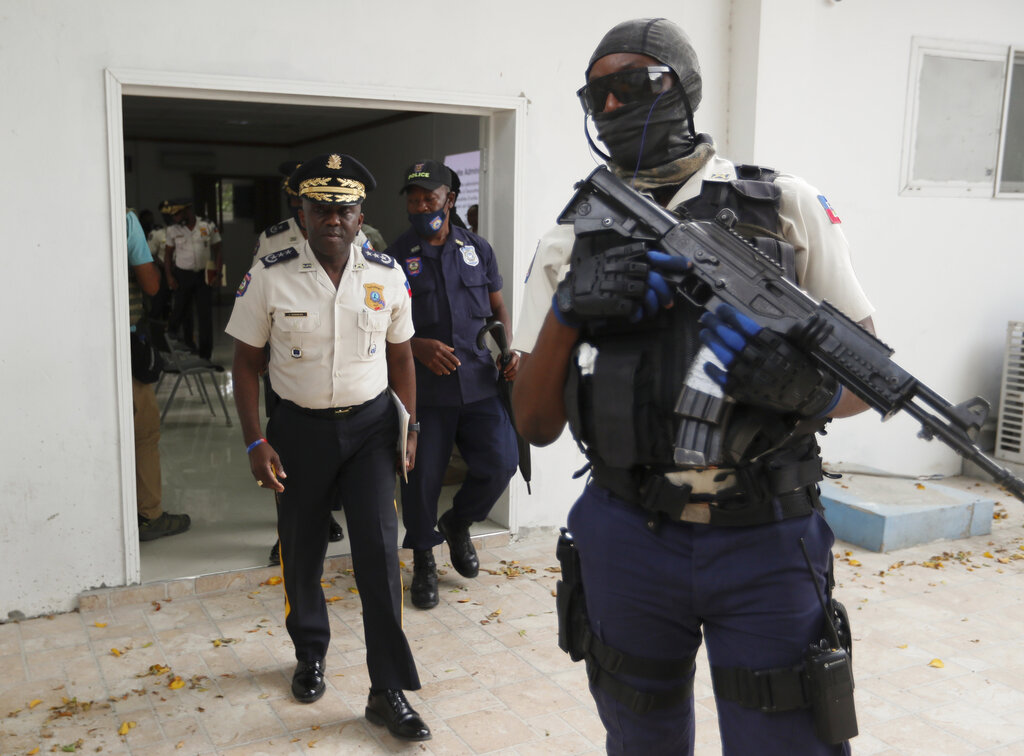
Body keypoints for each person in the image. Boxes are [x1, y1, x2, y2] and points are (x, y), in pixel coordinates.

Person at [511, 18, 874, 756]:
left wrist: (807, 392)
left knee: (786, 737)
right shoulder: (570, 237)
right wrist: (565, 312)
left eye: (631, 85)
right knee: (639, 735)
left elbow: (865, 379)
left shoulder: (784, 205)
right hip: (627, 532)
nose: (610, 107)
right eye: (595, 95)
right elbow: (533, 421)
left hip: (768, 534)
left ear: (684, 88)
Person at [226, 152, 430, 740]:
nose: (333, 219)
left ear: (361, 213)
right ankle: (310, 650)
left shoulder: (387, 275)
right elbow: (245, 364)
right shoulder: (270, 273)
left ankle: (386, 689)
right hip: (298, 432)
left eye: (344, 208)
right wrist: (255, 440)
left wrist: (410, 426)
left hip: (369, 431)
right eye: (321, 208)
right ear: (303, 212)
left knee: (378, 555)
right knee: (302, 549)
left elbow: (400, 356)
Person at [385, 160, 518, 610]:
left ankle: (459, 522)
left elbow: (498, 309)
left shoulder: (477, 249)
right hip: (423, 390)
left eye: (430, 197)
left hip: (479, 381)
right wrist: (416, 345)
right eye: (414, 198)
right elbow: (379, 324)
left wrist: (507, 351)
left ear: (450, 199)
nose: (421, 205)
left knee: (502, 461)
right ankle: (424, 557)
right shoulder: (394, 258)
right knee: (420, 479)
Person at [254, 161, 344, 565]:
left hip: (340, 364)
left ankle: (323, 516)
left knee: (334, 454)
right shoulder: (273, 241)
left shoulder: (360, 237)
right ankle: (286, 535)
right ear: (295, 199)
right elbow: (257, 301)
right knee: (288, 459)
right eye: (301, 197)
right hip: (288, 366)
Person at [126, 209, 191, 541]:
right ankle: (148, 515)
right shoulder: (123, 219)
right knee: (143, 433)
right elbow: (151, 285)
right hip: (122, 343)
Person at [163, 199, 223, 360]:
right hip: (182, 275)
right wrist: (169, 276)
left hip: (203, 275)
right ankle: (179, 346)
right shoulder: (172, 230)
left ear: (187, 210)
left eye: (177, 214)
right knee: (180, 312)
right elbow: (167, 255)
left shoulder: (207, 225)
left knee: (205, 316)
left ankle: (205, 356)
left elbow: (218, 250)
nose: (174, 218)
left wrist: (218, 273)